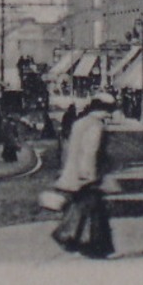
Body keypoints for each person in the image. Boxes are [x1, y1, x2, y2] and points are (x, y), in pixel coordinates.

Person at [51, 92, 117, 259]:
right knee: (91, 211)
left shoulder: (79, 123)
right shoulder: (97, 126)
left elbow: (69, 148)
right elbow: (91, 151)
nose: (110, 114)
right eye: (109, 110)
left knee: (82, 208)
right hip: (86, 174)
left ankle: (76, 240)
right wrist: (90, 175)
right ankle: (86, 243)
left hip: (73, 172)